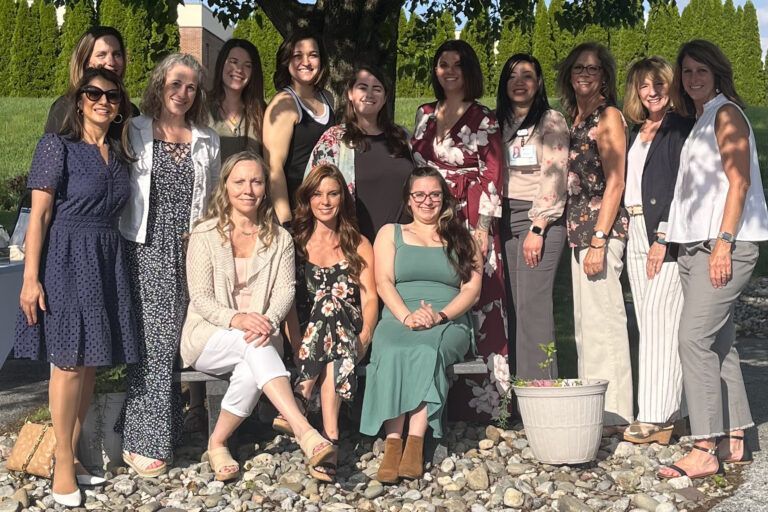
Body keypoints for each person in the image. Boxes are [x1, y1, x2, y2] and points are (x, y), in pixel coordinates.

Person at [14, 67, 139, 507]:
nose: (103, 101)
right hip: (65, 256)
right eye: (93, 93)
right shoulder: (56, 146)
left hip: (106, 256)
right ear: (79, 99)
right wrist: (31, 279)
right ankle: (63, 460)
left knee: (89, 364)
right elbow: (40, 216)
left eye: (112, 95)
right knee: (67, 362)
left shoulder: (121, 153)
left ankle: (69, 454)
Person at [180, 151, 335, 482]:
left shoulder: (279, 238)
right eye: (239, 181)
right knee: (253, 348)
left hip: (262, 337)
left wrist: (266, 320)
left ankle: (218, 441)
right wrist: (238, 319)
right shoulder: (205, 234)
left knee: (253, 361)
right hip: (208, 335)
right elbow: (201, 298)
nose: (248, 189)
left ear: (266, 187)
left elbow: (284, 293)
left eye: (256, 181)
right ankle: (304, 429)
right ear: (226, 187)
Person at [658, 40, 768, 479]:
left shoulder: (726, 114)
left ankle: (704, 446)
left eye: (701, 71)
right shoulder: (703, 118)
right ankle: (736, 437)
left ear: (717, 73)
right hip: (695, 246)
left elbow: (738, 182)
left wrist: (723, 242)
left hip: (720, 247)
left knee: (692, 339)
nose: (693, 79)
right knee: (718, 344)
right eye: (686, 72)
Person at [118, 53, 221, 477]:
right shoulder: (134, 130)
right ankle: (144, 441)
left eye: (191, 87)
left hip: (190, 248)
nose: (182, 93)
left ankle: (165, 430)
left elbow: (213, 196)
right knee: (154, 343)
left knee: (179, 339)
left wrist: (202, 232)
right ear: (160, 83)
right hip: (146, 246)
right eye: (175, 83)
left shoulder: (206, 139)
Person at [361, 167, 482, 483]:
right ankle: (392, 442)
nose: (427, 201)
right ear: (409, 200)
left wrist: (440, 316)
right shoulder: (391, 233)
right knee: (392, 347)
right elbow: (383, 280)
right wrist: (405, 316)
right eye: (420, 195)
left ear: (443, 199)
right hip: (399, 314)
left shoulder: (461, 236)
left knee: (427, 348)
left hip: (449, 318)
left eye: (435, 195)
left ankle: (414, 442)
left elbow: (471, 288)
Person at [410, 40, 506, 420]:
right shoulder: (424, 113)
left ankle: (488, 405)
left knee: (483, 300)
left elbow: (494, 173)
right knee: (436, 293)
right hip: (432, 217)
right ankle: (433, 398)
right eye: (442, 64)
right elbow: (416, 166)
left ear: (469, 71)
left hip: (471, 218)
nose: (448, 70)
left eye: (457, 64)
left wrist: (482, 227)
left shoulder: (484, 117)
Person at [279, 164, 378, 482]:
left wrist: (363, 337)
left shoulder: (358, 243)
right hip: (310, 335)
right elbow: (289, 302)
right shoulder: (294, 242)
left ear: (342, 199)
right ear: (307, 199)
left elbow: (371, 299)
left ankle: (300, 395)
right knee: (326, 316)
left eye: (333, 193)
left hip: (350, 327)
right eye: (318, 194)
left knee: (331, 304)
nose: (325, 200)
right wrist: (296, 343)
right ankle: (331, 439)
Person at [557, 42, 633, 429]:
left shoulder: (608, 117)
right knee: (586, 323)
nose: (585, 74)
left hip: (600, 230)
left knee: (605, 321)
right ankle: (594, 408)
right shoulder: (575, 116)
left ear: (605, 75)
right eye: (578, 69)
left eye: (593, 69)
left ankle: (616, 413)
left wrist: (600, 240)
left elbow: (616, 180)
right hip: (580, 230)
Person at [621, 57, 694, 445]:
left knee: (659, 317)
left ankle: (654, 416)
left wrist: (664, 236)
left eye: (659, 84)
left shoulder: (680, 128)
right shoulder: (638, 130)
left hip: (662, 233)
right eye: (644, 85)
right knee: (650, 321)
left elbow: (682, 187)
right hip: (635, 227)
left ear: (670, 87)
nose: (652, 91)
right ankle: (675, 413)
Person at [495, 53, 569, 379]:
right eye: (512, 75)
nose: (520, 82)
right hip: (504, 217)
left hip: (540, 219)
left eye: (527, 75)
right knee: (512, 308)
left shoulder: (550, 120)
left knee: (533, 307)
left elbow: (556, 174)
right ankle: (515, 395)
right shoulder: (496, 121)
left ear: (538, 83)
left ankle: (542, 393)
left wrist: (538, 227)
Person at [305, 65, 414, 242]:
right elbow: (313, 191)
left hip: (403, 245)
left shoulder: (403, 137)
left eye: (377, 89)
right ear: (350, 94)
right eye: (362, 87)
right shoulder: (333, 140)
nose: (369, 94)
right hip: (354, 244)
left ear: (385, 97)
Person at [263, 30, 335, 224]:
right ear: (287, 61)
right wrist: (286, 221)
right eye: (297, 56)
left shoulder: (328, 99)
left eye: (313, 55)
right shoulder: (284, 103)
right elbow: (273, 167)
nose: (306, 62)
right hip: (297, 211)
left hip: (325, 207)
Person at [45, 26, 139, 134]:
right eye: (101, 55)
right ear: (84, 62)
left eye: (117, 54)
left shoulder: (131, 111)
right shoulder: (65, 108)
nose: (111, 62)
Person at [208, 38, 266, 161]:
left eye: (247, 65)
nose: (239, 70)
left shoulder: (261, 111)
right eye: (233, 62)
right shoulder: (201, 106)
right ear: (221, 63)